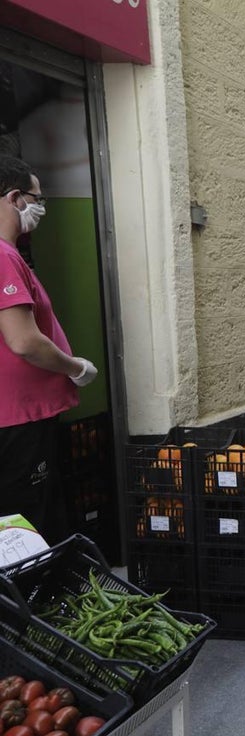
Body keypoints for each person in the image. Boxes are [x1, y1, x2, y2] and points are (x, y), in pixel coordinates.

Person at [0, 155, 98, 541]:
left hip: (14, 416)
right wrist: (75, 367)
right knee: (25, 525)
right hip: (18, 419)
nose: (40, 207)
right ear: (14, 198)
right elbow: (24, 341)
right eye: (36, 198)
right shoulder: (4, 256)